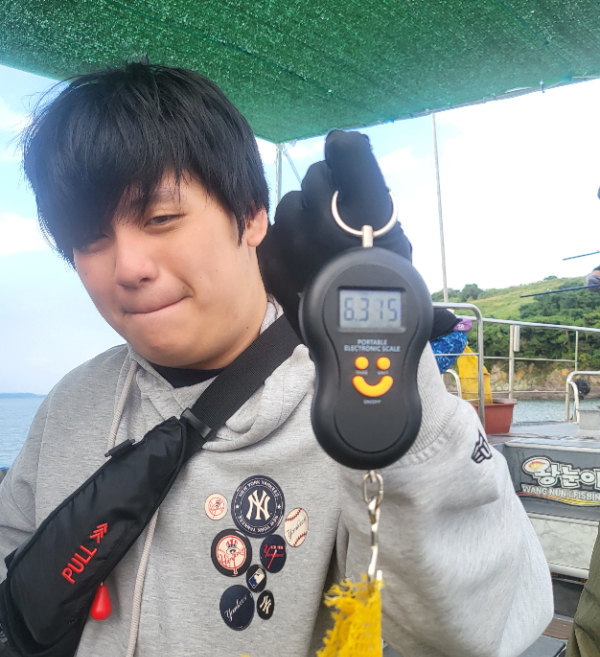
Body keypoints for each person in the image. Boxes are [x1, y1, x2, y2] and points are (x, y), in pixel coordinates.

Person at [0, 63, 553, 657]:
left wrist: (389, 376)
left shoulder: (349, 412)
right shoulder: (72, 401)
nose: (128, 267)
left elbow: (482, 631)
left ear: (251, 215)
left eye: (160, 218)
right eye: (91, 239)